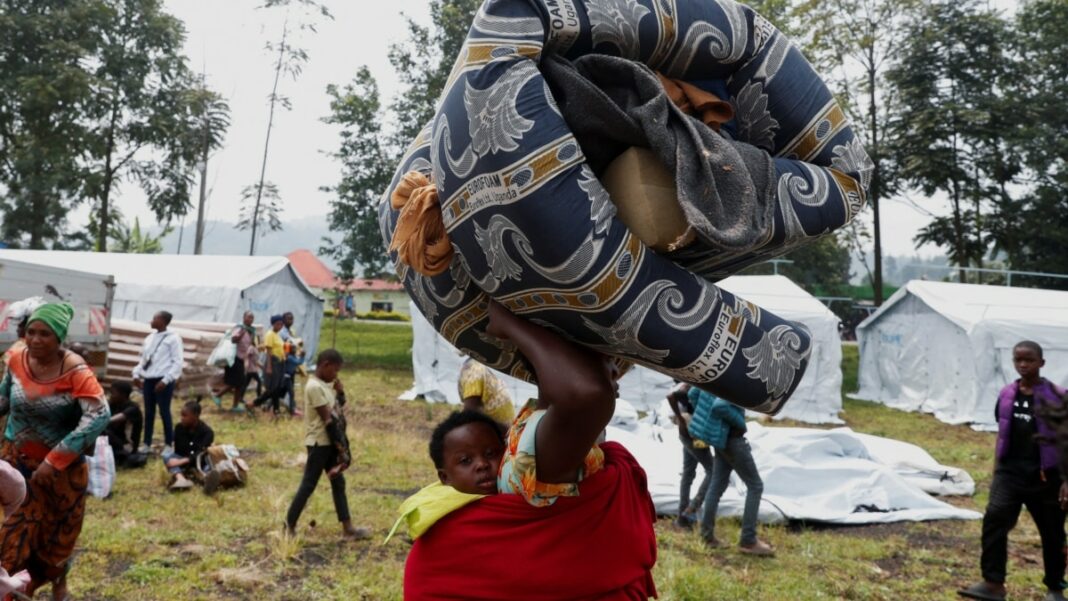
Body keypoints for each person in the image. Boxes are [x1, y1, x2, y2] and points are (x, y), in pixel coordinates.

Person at [401, 301, 657, 600]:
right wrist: (511, 324)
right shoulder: (538, 460)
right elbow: (590, 394)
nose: (616, 370)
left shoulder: (532, 424)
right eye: (606, 362)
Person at [0, 302, 110, 601]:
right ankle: (10, 591)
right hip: (17, 464)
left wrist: (55, 459)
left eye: (44, 334)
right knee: (13, 535)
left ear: (59, 338)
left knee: (56, 538)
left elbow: (98, 415)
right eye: (31, 332)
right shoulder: (15, 358)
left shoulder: (75, 370)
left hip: (60, 474)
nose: (35, 340)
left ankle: (55, 582)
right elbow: (3, 400)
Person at [959, 341, 1068, 601]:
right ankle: (993, 583)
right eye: (1018, 360)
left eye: (1029, 360)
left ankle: (1054, 589)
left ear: (1041, 363)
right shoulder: (1007, 393)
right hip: (1010, 474)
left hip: (1047, 477)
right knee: (995, 519)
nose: (1022, 365)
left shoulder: (1058, 396)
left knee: (1053, 533)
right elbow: (1003, 431)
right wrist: (997, 470)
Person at [284, 349, 369, 539]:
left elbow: (336, 410)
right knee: (308, 484)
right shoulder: (314, 387)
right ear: (325, 365)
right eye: (335, 370)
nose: (336, 375)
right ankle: (288, 526)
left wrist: (340, 393)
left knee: (338, 483)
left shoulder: (325, 386)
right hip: (319, 443)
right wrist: (342, 448)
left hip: (329, 442)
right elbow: (328, 420)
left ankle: (348, 529)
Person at [689, 387, 775, 557]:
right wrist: (740, 423)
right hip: (732, 438)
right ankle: (748, 541)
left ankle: (706, 535)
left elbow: (693, 394)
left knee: (717, 484)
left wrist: (710, 422)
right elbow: (719, 406)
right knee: (755, 486)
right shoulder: (735, 379)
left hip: (721, 438)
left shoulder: (716, 374)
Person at [132, 311, 183, 453]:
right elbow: (143, 360)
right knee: (149, 412)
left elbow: (177, 362)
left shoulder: (173, 338)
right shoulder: (149, 338)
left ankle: (168, 444)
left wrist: (166, 380)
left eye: (155, 318)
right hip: (149, 379)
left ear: (163, 321)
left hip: (163, 380)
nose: (151, 321)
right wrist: (136, 374)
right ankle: (147, 443)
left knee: (164, 411)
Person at [666, 381, 713, 529]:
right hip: (694, 435)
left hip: (688, 433)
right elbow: (671, 396)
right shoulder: (692, 386)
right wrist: (680, 417)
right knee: (713, 470)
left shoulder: (692, 387)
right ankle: (691, 509)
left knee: (688, 473)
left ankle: (682, 518)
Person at [163, 401, 215, 492]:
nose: (182, 418)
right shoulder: (179, 428)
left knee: (209, 464)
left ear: (195, 416)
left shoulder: (207, 432)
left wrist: (183, 461)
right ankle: (181, 479)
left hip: (200, 461)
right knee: (166, 456)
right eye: (181, 415)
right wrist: (177, 460)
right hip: (182, 459)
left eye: (185, 416)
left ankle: (207, 480)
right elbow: (178, 451)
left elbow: (201, 452)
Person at [457, 355, 516, 427]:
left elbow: (472, 410)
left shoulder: (477, 368)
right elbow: (471, 409)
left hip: (500, 432)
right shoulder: (477, 367)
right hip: (501, 432)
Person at [215, 311, 256, 412]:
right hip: (234, 358)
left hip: (241, 359)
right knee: (236, 382)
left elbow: (250, 344)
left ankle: (235, 406)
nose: (250, 319)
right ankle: (218, 395)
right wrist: (240, 335)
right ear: (243, 318)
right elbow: (233, 340)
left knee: (239, 383)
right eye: (248, 317)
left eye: (252, 318)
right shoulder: (240, 328)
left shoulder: (251, 331)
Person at [252, 316, 288, 415]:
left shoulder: (277, 335)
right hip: (273, 362)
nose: (279, 326)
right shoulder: (270, 334)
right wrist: (269, 366)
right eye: (277, 324)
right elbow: (269, 352)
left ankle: (276, 410)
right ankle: (255, 403)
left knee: (276, 388)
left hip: (280, 362)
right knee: (272, 388)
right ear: (273, 324)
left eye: (281, 324)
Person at [106, 381, 144, 468]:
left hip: (127, 446)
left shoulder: (133, 408)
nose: (110, 395)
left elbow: (117, 418)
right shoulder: (113, 404)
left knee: (103, 432)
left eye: (113, 393)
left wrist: (100, 422)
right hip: (115, 440)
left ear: (123, 395)